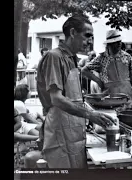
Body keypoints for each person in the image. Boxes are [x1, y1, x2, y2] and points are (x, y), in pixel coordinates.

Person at [36, 14, 116, 169]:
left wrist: (94, 106)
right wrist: (90, 115)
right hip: (59, 131)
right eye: (87, 36)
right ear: (72, 33)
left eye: (92, 37)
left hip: (74, 131)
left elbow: (73, 98)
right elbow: (57, 99)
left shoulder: (72, 59)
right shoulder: (55, 56)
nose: (90, 41)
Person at [82, 29, 132, 98]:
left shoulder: (127, 57)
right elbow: (84, 70)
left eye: (120, 41)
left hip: (127, 94)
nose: (119, 43)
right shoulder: (101, 58)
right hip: (110, 95)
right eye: (116, 42)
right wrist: (99, 81)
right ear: (110, 44)